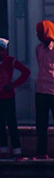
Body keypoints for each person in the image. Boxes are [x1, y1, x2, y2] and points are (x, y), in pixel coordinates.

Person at [34, 20, 54, 163]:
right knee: (41, 124)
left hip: (53, 90)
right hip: (40, 90)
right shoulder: (38, 48)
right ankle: (41, 152)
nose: (38, 35)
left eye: (40, 32)